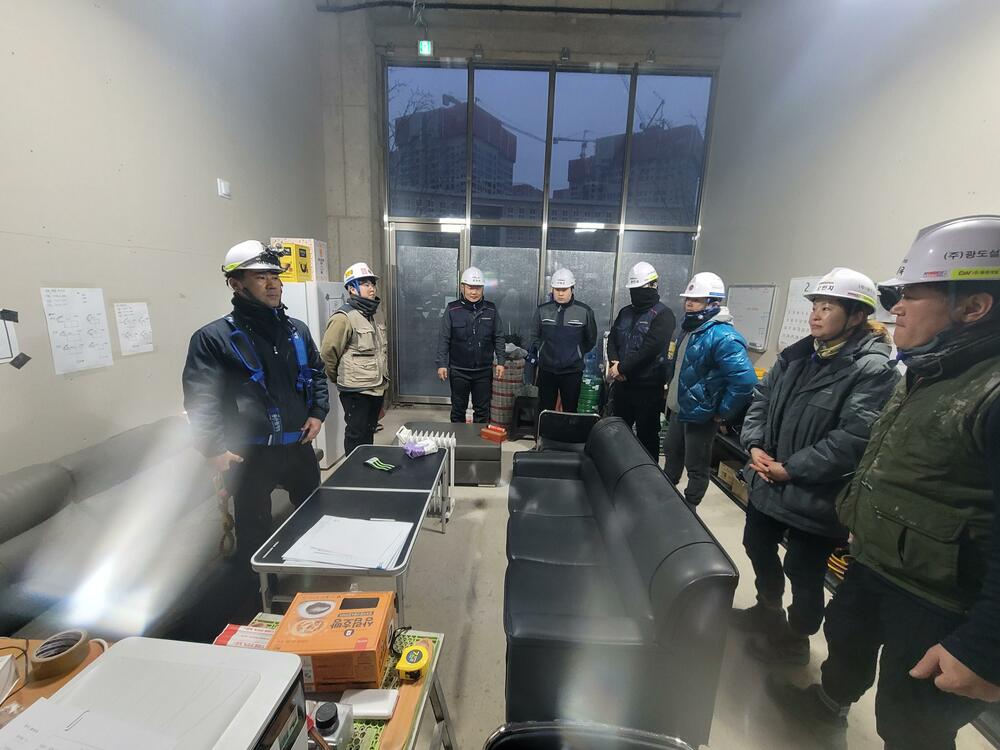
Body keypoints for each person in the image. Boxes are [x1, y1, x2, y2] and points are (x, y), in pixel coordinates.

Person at [768, 217, 1000, 749]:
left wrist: (986, 646)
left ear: (973, 306)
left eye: (909, 296)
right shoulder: (928, 371)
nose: (895, 308)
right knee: (845, 642)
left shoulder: (989, 392)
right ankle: (828, 705)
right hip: (877, 562)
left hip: (937, 596)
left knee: (911, 717)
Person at [734, 267, 898, 666]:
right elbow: (761, 400)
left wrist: (791, 468)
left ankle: (797, 635)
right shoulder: (796, 355)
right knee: (756, 545)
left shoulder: (871, 370)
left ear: (856, 316)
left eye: (828, 307)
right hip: (768, 479)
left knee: (803, 571)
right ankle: (768, 608)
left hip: (817, 495)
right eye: (815, 306)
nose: (816, 314)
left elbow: (853, 438)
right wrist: (754, 445)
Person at [182, 240, 328, 566]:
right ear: (236, 283)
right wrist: (213, 449)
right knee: (254, 531)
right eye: (261, 277)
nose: (273, 284)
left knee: (313, 513)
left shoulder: (296, 331)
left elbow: (317, 374)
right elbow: (201, 399)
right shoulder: (213, 338)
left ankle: (313, 570)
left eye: (275, 276)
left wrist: (318, 413)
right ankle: (259, 592)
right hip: (248, 455)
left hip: (298, 445)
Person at [663, 272, 757, 507]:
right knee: (671, 454)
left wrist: (723, 411)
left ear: (713, 302)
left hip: (702, 415)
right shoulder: (689, 328)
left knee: (696, 465)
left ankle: (690, 508)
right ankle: (666, 502)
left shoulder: (724, 336)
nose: (689, 303)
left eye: (696, 299)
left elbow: (745, 381)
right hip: (679, 409)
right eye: (688, 299)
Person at [607, 261, 676, 459]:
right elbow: (612, 339)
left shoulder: (663, 315)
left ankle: (647, 472)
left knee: (647, 436)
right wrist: (614, 364)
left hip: (648, 387)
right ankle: (619, 468)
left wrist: (622, 368)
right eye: (634, 290)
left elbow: (650, 349)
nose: (636, 294)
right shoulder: (625, 312)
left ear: (654, 286)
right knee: (619, 433)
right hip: (622, 385)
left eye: (641, 289)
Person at [320, 262, 388, 455]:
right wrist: (339, 378)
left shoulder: (375, 314)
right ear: (352, 288)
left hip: (377, 386)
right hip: (356, 389)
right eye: (365, 284)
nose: (372, 288)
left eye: (372, 284)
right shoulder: (343, 317)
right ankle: (353, 469)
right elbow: (328, 353)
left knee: (369, 431)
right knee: (356, 434)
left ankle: (365, 465)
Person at [436, 266, 506, 423]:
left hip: (483, 371)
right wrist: (441, 364)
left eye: (478, 288)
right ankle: (459, 438)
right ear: (462, 287)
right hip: (459, 370)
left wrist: (501, 361)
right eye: (470, 287)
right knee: (458, 410)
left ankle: (479, 439)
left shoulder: (491, 310)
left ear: (483, 289)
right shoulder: (452, 309)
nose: (474, 292)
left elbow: (499, 336)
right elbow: (444, 338)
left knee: (482, 411)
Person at [529, 267, 598, 415]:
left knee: (570, 411)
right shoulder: (542, 310)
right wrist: (543, 350)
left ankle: (568, 431)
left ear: (572, 289)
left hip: (572, 372)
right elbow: (534, 335)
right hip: (547, 370)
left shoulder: (584, 311)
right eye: (557, 289)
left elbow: (591, 339)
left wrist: (577, 352)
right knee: (545, 410)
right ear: (552, 289)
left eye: (564, 289)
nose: (560, 293)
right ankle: (544, 430)